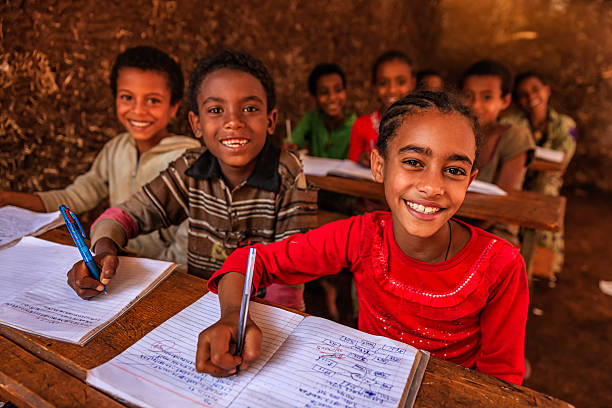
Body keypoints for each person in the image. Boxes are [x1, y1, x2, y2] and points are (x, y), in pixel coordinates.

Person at [196, 91, 529, 385]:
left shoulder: (500, 266)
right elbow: (250, 262)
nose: (432, 187)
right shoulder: (362, 237)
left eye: (454, 170)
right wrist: (230, 317)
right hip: (367, 387)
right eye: (414, 162)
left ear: (470, 180)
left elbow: (500, 382)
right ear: (379, 166)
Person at [66, 49, 318, 311]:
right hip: (197, 307)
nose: (233, 121)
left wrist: (269, 325)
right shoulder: (191, 168)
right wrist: (105, 251)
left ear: (271, 120)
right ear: (196, 124)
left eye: (250, 108)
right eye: (216, 109)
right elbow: (123, 216)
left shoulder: (287, 174)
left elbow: (290, 275)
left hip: (259, 314)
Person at [0, 46, 200, 262]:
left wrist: (145, 270)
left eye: (153, 100)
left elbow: (189, 239)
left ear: (173, 107)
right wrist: (7, 198)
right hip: (117, 259)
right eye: (127, 97)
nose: (138, 110)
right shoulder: (116, 148)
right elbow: (75, 197)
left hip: (166, 271)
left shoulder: (188, 159)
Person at [509, 71, 577, 275]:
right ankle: (513, 257)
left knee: (545, 194)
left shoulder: (566, 125)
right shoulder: (512, 122)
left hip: (547, 181)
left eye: (535, 90)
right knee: (511, 190)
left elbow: (559, 164)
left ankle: (541, 262)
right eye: (523, 94)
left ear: (547, 91)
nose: (531, 97)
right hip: (518, 178)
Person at [460, 59, 535, 245]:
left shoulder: (516, 137)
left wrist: (453, 234)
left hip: (495, 233)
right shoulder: (456, 132)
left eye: (487, 97)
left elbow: (499, 208)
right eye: (469, 95)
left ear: (505, 101)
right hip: (451, 223)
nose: (476, 105)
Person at [347, 51, 415, 168]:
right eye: (383, 83)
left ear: (412, 83)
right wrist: (360, 160)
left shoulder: (422, 125)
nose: (392, 90)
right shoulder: (361, 125)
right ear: (375, 87)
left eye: (401, 82)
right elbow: (349, 168)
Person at [290, 63, 356, 159]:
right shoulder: (311, 119)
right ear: (314, 98)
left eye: (338, 90)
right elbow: (293, 141)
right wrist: (290, 146)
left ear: (345, 92)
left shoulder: (356, 125)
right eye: (324, 92)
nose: (332, 98)